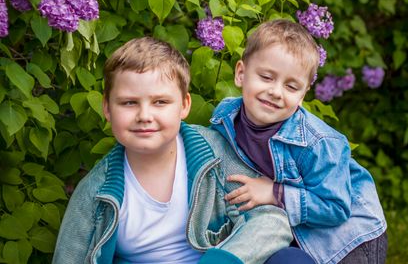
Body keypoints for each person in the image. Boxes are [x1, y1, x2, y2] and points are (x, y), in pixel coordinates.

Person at [52, 37, 293, 264]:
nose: (144, 116)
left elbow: (270, 220)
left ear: (184, 105)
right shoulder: (96, 193)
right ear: (107, 108)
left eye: (160, 102)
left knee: (291, 260)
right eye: (129, 103)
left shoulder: (213, 155)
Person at [210, 19, 388, 264]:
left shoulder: (318, 143)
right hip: (290, 232)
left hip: (347, 238)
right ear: (241, 73)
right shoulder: (225, 118)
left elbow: (335, 207)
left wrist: (275, 193)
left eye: (291, 86)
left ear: (303, 96)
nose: (276, 92)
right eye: (266, 77)